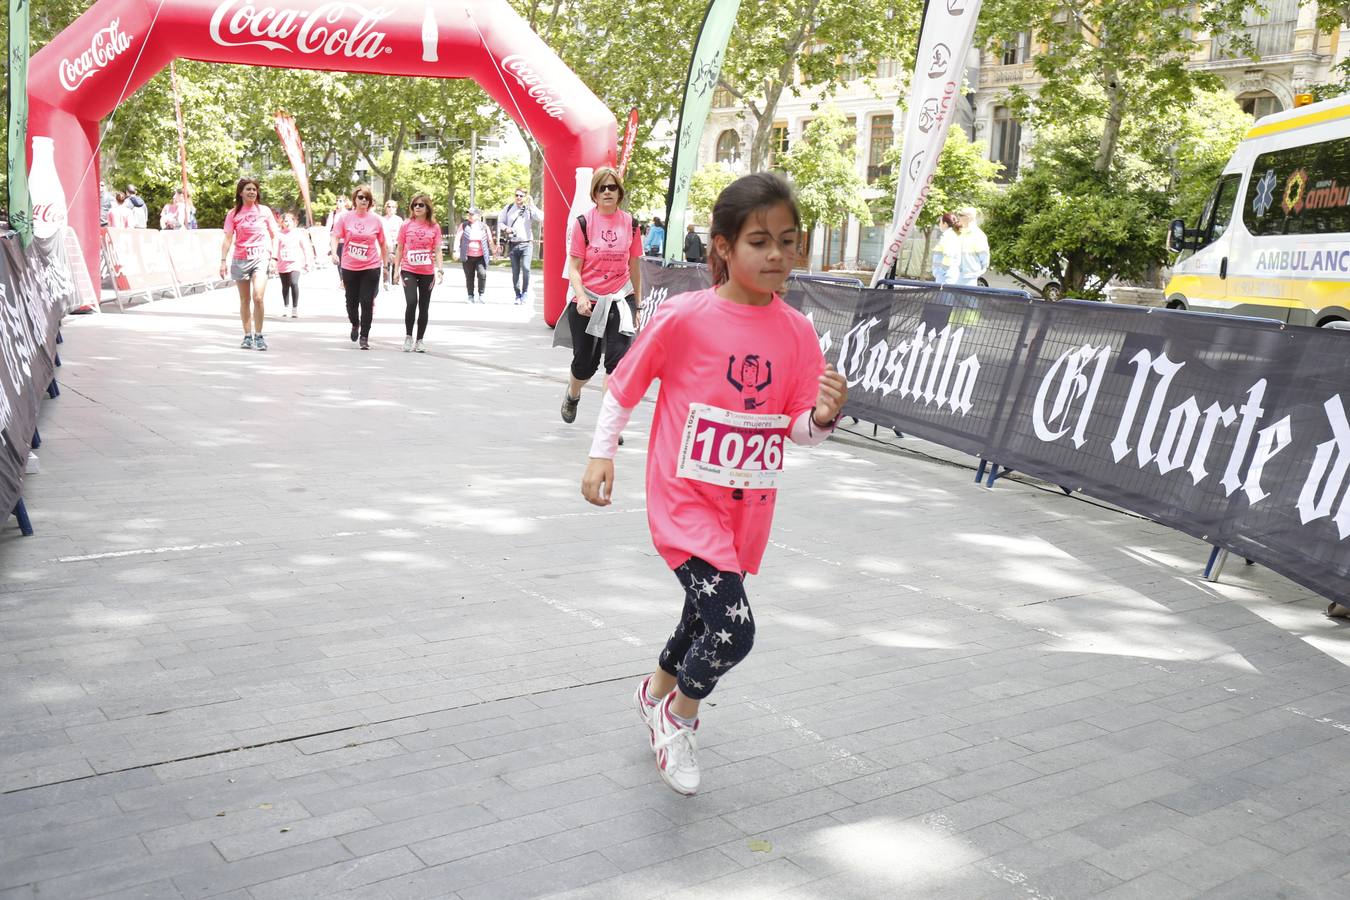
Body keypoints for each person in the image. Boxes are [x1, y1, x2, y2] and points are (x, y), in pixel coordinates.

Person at [580, 172, 849, 795]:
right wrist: (603, 455)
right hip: (683, 502)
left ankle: (652, 692)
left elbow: (796, 430)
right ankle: (677, 718)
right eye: (760, 241)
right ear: (725, 247)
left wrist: (825, 419)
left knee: (702, 617)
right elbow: (625, 387)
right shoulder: (683, 317)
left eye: (788, 240)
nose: (777, 254)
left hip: (747, 507)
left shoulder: (798, 333)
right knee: (734, 627)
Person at [559, 167, 642, 430]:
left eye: (612, 187)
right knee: (585, 364)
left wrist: (637, 304)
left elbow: (635, 265)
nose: (607, 192)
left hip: (620, 298)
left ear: (619, 192)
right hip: (588, 300)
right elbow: (573, 268)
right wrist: (581, 296)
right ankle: (573, 394)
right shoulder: (583, 223)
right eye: (602, 188)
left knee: (617, 364)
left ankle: (610, 424)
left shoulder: (631, 224)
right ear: (594, 193)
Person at [219, 177, 279, 351]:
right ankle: (247, 335)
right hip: (240, 259)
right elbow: (228, 239)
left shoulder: (265, 211)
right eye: (248, 189)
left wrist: (274, 258)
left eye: (254, 189)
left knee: (258, 297)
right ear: (241, 193)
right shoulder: (233, 214)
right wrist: (223, 260)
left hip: (261, 258)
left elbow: (275, 235)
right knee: (245, 299)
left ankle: (259, 336)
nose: (252, 192)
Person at [330, 186, 387, 350]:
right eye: (361, 197)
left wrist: (384, 266)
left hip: (371, 265)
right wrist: (334, 253)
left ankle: (364, 336)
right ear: (354, 199)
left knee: (367, 301)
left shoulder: (376, 220)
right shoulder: (345, 217)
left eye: (367, 198)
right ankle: (355, 323)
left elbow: (383, 243)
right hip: (349, 266)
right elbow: (335, 235)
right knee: (351, 302)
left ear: (370, 202)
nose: (364, 200)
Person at [394, 193, 443, 352]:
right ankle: (408, 337)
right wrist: (396, 270)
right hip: (409, 269)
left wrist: (440, 269)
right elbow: (400, 248)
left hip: (427, 272)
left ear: (427, 207)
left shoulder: (434, 227)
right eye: (414, 204)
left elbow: (437, 250)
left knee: (424, 306)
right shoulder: (406, 225)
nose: (417, 207)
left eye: (421, 205)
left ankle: (420, 340)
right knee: (411, 302)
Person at [499, 187, 543, 305]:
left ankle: (525, 292)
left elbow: (541, 218)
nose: (518, 197)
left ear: (525, 197)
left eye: (521, 196)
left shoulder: (528, 209)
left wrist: (532, 204)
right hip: (513, 244)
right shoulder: (508, 208)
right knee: (515, 272)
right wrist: (506, 228)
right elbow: (500, 222)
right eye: (516, 195)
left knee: (526, 268)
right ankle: (517, 294)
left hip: (526, 243)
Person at [275, 211, 313, 318]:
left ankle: (295, 308)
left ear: (294, 222)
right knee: (285, 286)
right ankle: (286, 306)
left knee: (294, 283)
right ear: (282, 223)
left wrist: (307, 262)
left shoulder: (298, 234)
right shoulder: (278, 235)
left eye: (290, 221)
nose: (287, 223)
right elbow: (275, 249)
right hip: (283, 264)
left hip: (295, 263)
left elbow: (305, 248)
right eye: (285, 221)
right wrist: (274, 262)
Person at [454, 208, 495, 303]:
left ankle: (481, 294)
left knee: (482, 274)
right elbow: (457, 238)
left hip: (480, 256)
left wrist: (494, 253)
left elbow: (490, 240)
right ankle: (470, 296)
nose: (469, 216)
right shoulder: (464, 225)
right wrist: (456, 251)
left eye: (472, 214)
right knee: (469, 276)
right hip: (467, 256)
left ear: (478, 216)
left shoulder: (484, 227)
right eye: (469, 214)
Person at [954, 206, 990, 287]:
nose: (958, 217)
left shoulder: (978, 235)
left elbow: (985, 260)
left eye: (960, 215)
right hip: (954, 276)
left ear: (968, 218)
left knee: (967, 300)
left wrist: (975, 274)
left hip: (969, 279)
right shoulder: (957, 232)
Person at [379, 199, 403, 291]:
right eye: (389, 206)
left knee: (396, 262)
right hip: (385, 243)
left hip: (396, 243)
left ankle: (395, 280)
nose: (391, 208)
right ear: (386, 208)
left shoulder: (399, 220)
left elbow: (402, 232)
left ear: (396, 209)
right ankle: (386, 280)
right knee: (386, 262)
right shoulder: (382, 219)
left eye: (393, 207)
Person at [932, 212, 960, 284]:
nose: (939, 224)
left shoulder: (948, 237)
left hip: (945, 278)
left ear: (945, 224)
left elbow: (948, 257)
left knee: (945, 295)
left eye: (940, 222)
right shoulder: (951, 236)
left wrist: (940, 273)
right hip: (946, 276)